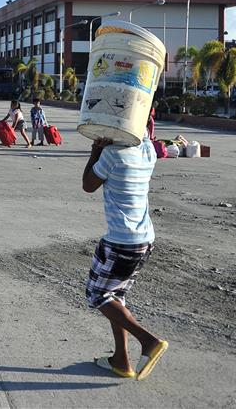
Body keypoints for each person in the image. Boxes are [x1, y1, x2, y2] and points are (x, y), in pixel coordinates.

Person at [82, 136, 168, 381]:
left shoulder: (112, 153)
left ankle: (148, 341)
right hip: (144, 237)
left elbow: (88, 185)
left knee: (98, 295)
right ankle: (121, 360)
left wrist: (95, 152)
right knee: (115, 298)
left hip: (121, 240)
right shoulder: (148, 148)